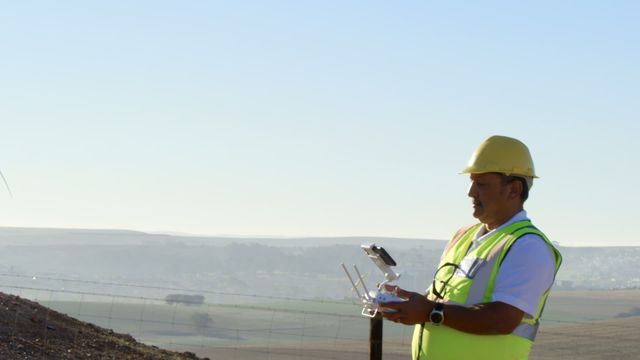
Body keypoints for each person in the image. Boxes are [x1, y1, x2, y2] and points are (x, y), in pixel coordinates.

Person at [381, 135, 562, 360]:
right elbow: (443, 302)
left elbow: (503, 319)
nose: (471, 192)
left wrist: (430, 312)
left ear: (514, 189)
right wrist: (410, 307)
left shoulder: (527, 246)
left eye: (482, 184)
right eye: (471, 182)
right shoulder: (462, 237)